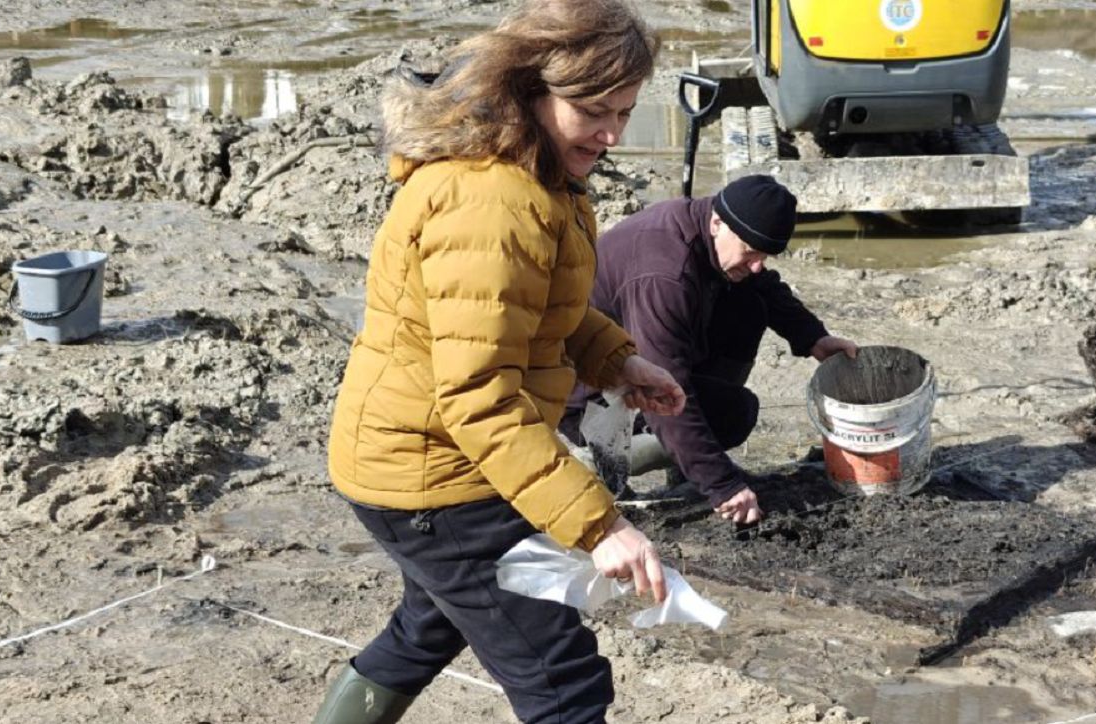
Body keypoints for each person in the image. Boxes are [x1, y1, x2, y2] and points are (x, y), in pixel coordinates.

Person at [313, 3, 685, 723]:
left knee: (430, 626)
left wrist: (614, 360)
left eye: (627, 112)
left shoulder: (535, 169)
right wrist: (602, 527)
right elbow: (479, 395)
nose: (611, 135)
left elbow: (541, 304)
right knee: (563, 680)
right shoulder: (494, 201)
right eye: (594, 110)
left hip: (415, 459)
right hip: (436, 476)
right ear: (533, 90)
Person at [561, 175, 857, 526]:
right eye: (751, 251)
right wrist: (723, 484)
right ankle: (596, 459)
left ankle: (687, 464)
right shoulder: (664, 276)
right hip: (587, 401)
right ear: (718, 223)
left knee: (747, 302)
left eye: (765, 255)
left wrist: (813, 338)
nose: (758, 264)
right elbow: (662, 390)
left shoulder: (709, 226)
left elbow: (763, 284)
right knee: (734, 414)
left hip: (635, 367)